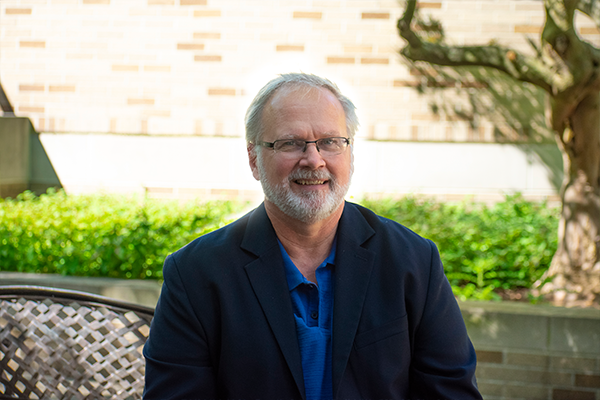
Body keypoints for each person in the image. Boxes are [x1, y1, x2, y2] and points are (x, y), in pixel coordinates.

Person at [143, 73, 482, 400]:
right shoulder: (195, 274)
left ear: (350, 153)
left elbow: (450, 392)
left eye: (330, 142)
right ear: (254, 159)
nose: (314, 160)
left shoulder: (414, 262)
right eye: (290, 143)